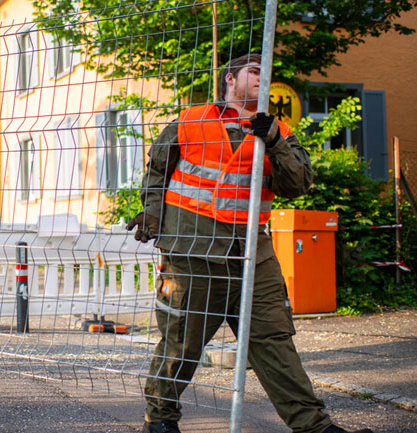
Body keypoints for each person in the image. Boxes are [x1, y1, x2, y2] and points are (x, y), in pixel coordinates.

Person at [127, 54, 373, 433]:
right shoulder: (190, 121)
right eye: (255, 72)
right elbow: (158, 170)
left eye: (266, 74)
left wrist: (273, 140)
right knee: (182, 341)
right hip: (193, 250)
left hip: (252, 254)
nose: (262, 79)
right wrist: (152, 212)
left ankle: (314, 427)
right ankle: (159, 421)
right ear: (230, 79)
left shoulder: (279, 131)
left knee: (274, 342)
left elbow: (297, 184)